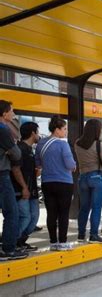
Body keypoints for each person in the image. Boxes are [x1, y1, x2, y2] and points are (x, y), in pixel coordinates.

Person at [35, 115, 76, 251]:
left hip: (47, 182)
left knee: (51, 213)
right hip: (64, 182)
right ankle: (62, 242)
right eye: (64, 129)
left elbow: (38, 164)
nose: (66, 131)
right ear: (57, 130)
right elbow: (70, 164)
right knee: (63, 213)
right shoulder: (63, 144)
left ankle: (53, 242)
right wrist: (74, 166)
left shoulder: (41, 144)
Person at [75, 119, 102, 243]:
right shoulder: (98, 144)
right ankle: (93, 235)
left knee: (84, 207)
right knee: (96, 207)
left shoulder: (77, 143)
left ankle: (81, 235)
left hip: (82, 177)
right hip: (97, 177)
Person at [0, 100, 27, 260]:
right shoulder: (3, 130)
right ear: (4, 114)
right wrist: (9, 152)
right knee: (12, 212)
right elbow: (16, 153)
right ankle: (8, 249)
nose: (13, 114)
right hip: (2, 174)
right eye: (11, 111)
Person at [11, 122, 41, 252]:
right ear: (33, 133)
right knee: (25, 217)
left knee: (34, 218)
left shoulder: (29, 150)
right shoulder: (20, 149)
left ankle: (21, 241)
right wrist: (24, 187)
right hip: (22, 190)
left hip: (32, 189)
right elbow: (16, 169)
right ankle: (11, 242)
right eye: (38, 132)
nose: (39, 135)